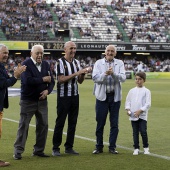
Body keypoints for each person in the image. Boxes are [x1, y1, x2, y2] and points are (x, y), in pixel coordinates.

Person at [13, 45, 55, 160]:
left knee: (43, 126)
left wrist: (47, 90)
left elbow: (52, 81)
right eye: (37, 53)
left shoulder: (46, 64)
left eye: (41, 53)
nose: (40, 55)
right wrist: (43, 79)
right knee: (23, 126)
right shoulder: (26, 64)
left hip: (42, 101)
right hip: (28, 101)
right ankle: (18, 151)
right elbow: (27, 81)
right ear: (31, 53)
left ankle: (39, 150)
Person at [52, 41, 92, 156]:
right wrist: (76, 73)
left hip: (75, 96)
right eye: (71, 48)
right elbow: (60, 79)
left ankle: (69, 147)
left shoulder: (76, 62)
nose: (73, 50)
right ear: (65, 50)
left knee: (72, 122)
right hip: (63, 97)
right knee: (60, 122)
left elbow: (79, 81)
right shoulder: (59, 62)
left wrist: (83, 73)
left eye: (74, 48)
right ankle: (56, 147)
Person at [92, 45, 126, 154]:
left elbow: (123, 78)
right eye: (108, 51)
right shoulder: (98, 63)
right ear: (105, 52)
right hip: (102, 97)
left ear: (115, 53)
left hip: (114, 97)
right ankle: (99, 147)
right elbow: (95, 78)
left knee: (114, 124)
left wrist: (114, 74)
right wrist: (105, 74)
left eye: (112, 51)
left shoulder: (119, 63)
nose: (110, 53)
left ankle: (112, 147)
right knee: (100, 123)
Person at [0, 44, 26, 167]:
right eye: (4, 52)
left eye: (7, 52)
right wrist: (16, 75)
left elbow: (6, 80)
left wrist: (15, 74)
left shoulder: (1, 66)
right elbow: (4, 83)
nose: (6, 55)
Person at [125, 72, 151, 155]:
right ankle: (136, 148)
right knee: (135, 132)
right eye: (136, 79)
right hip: (133, 115)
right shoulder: (131, 91)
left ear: (144, 80)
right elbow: (128, 101)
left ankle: (146, 148)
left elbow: (148, 104)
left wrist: (140, 110)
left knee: (143, 131)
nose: (138, 81)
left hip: (142, 116)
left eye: (140, 79)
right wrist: (128, 110)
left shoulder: (147, 91)